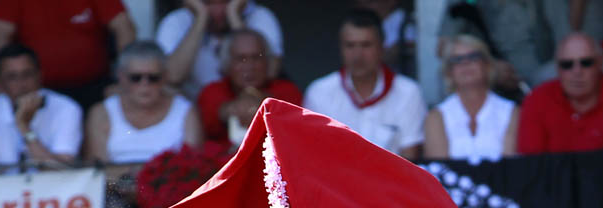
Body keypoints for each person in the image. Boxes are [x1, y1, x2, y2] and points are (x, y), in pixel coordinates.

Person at [84, 40, 202, 208]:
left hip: (169, 199)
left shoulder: (185, 111)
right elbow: (98, 169)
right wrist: (143, 181)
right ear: (121, 77)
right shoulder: (101, 112)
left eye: (153, 78)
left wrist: (146, 185)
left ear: (164, 78)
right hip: (117, 195)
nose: (144, 84)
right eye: (136, 78)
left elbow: (192, 168)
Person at [304, 7, 426, 160]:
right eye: (350, 45)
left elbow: (410, 161)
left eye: (366, 45)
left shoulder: (408, 92)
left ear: (382, 48)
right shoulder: (319, 93)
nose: (358, 55)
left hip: (390, 182)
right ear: (340, 48)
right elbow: (313, 156)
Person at [0, 0, 136, 113]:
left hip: (93, 86)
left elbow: (124, 28)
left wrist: (123, 80)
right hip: (37, 88)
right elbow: (1, 37)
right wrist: (2, 82)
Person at [516, 32, 603, 154]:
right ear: (557, 68)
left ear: (601, 63)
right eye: (567, 64)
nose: (577, 71)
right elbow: (531, 163)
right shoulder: (537, 101)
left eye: (586, 63)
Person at [0, 43, 82, 170]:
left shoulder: (67, 108)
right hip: (2, 189)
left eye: (27, 74)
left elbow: (63, 171)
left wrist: (24, 127)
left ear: (40, 76)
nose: (22, 84)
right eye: (12, 77)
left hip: (54, 188)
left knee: (110, 186)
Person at [156, 0, 284, 97]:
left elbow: (270, 72)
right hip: (196, 110)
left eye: (225, 1)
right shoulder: (177, 20)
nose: (218, 11)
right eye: (208, 2)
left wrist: (234, 15)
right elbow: (171, 77)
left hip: (246, 105)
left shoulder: (260, 16)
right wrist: (200, 18)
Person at [196, 27, 301, 145]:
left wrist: (258, 102)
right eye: (241, 59)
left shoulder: (287, 90)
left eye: (256, 58)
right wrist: (229, 110)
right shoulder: (212, 91)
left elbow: (294, 127)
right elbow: (209, 120)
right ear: (227, 63)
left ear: (268, 62)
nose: (250, 66)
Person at [423, 35, 518, 163]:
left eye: (473, 57)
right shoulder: (435, 117)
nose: (466, 63)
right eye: (457, 60)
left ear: (487, 65)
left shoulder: (512, 112)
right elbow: (439, 171)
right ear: (449, 72)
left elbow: (511, 168)